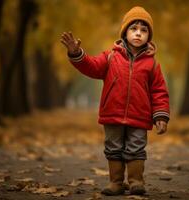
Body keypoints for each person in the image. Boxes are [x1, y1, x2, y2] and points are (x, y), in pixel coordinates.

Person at [61, 6, 170, 196]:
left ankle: (136, 181)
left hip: (139, 115)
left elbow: (159, 91)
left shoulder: (152, 64)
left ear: (149, 36)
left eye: (143, 30)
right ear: (125, 32)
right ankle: (116, 182)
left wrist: (160, 115)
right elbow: (92, 67)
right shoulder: (110, 56)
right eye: (133, 29)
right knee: (113, 149)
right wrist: (76, 54)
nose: (138, 33)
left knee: (136, 149)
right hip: (113, 113)